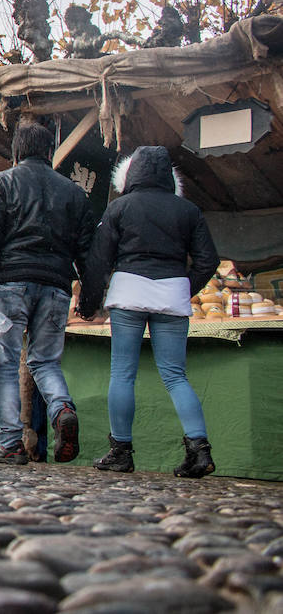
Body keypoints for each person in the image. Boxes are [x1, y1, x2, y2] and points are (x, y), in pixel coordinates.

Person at [0, 122, 95, 466]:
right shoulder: (75, 193)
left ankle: (10, 444)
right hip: (57, 286)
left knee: (3, 364)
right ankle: (62, 409)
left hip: (12, 282)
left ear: (15, 152)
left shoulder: (2, 182)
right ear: (50, 153)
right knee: (45, 361)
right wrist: (90, 294)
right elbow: (87, 250)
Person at [81, 145, 220, 478]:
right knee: (175, 376)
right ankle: (199, 451)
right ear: (168, 176)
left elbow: (98, 259)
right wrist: (185, 286)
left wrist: (88, 302)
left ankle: (121, 452)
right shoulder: (188, 211)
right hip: (172, 294)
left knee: (122, 374)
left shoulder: (119, 208)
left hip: (129, 291)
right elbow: (208, 260)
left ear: (131, 174)